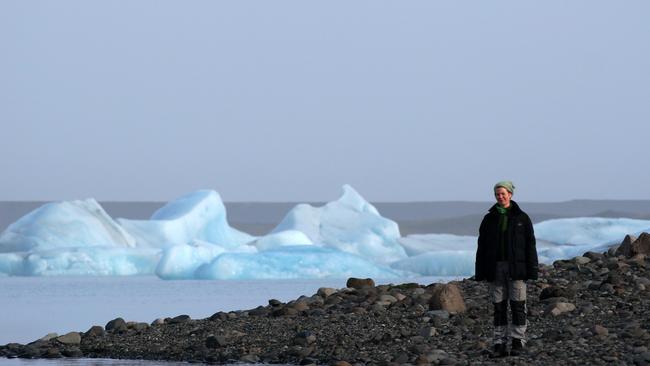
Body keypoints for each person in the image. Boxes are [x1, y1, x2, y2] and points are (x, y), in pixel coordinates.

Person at [475, 181, 538, 357]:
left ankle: (518, 342)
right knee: (499, 306)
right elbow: (482, 246)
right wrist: (480, 271)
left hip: (516, 268)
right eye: (497, 194)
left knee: (518, 305)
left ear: (510, 194)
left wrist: (532, 270)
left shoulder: (521, 218)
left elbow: (530, 245)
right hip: (495, 268)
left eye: (503, 193)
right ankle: (499, 343)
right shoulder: (489, 219)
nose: (500, 197)